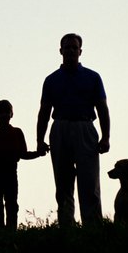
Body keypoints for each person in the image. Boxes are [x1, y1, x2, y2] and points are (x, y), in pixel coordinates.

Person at [36, 33, 110, 227]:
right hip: (60, 128)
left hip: (85, 127)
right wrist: (39, 139)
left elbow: (102, 107)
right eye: (66, 47)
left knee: (89, 183)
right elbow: (44, 111)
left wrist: (106, 137)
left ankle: (92, 226)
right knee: (63, 183)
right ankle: (66, 225)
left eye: (74, 48)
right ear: (60, 51)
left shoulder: (92, 77)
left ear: (80, 51)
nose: (70, 51)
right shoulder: (51, 80)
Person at [0, 100, 46, 230]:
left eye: (7, 112)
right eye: (1, 112)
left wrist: (38, 153)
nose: (4, 115)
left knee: (11, 204)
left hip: (11, 173)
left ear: (12, 114)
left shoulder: (17, 133)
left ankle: (11, 230)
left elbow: (23, 154)